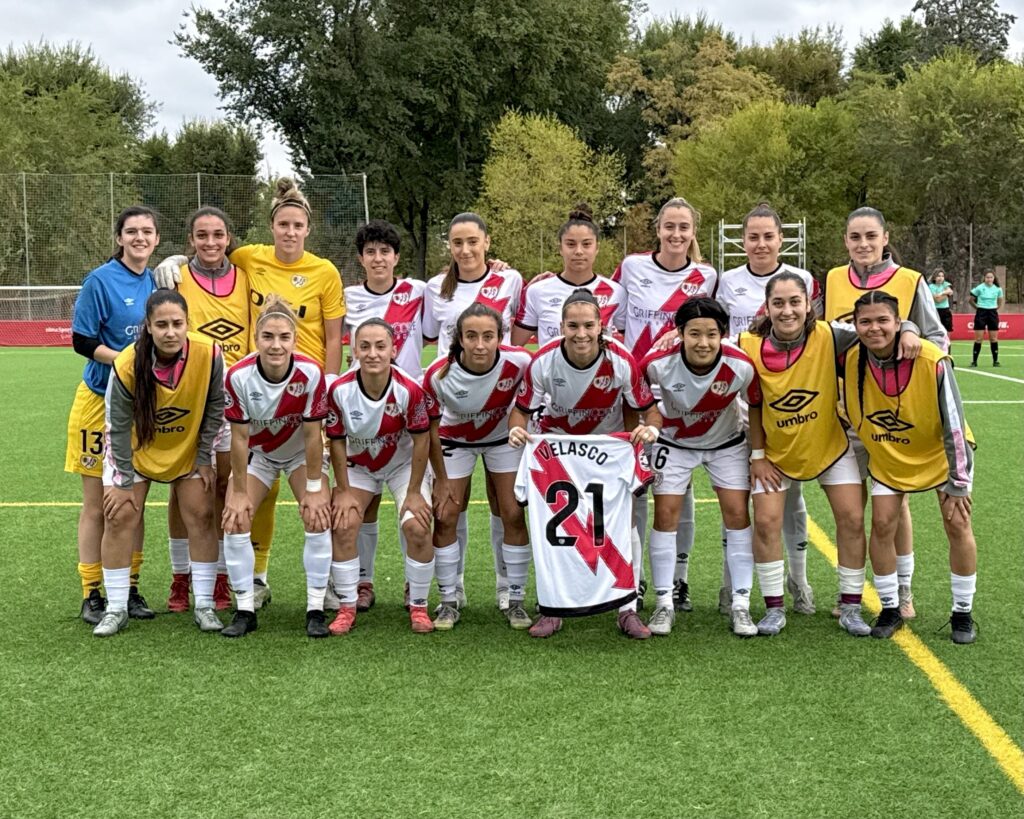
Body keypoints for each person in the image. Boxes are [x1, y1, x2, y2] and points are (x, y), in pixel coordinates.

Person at [156, 178, 346, 609]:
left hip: (306, 391)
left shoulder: (325, 272)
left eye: (298, 225)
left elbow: (334, 337)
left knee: (318, 489)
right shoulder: (250, 258)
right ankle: (253, 578)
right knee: (243, 487)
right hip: (254, 389)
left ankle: (330, 583)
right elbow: (211, 255)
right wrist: (175, 260)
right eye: (283, 224)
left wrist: (330, 384)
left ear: (308, 229)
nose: (290, 232)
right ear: (271, 226)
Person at [739, 271, 921, 637]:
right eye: (778, 303)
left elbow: (877, 327)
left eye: (795, 302)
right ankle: (774, 608)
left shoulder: (831, 335)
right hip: (776, 453)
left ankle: (850, 606)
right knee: (766, 522)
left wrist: (910, 329)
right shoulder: (747, 344)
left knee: (852, 519)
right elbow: (753, 402)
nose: (787, 310)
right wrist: (758, 455)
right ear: (767, 307)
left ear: (809, 306)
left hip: (831, 447)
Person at [508, 289, 659, 639]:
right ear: (561, 326)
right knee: (555, 532)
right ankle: (552, 607)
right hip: (557, 453)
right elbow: (520, 411)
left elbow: (650, 410)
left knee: (623, 526)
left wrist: (650, 429)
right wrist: (516, 430)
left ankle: (628, 607)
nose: (581, 334)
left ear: (600, 325)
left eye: (588, 325)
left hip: (607, 450)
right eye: (573, 326)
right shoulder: (544, 360)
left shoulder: (620, 359)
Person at [824, 206, 948, 621]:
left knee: (894, 506)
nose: (863, 244)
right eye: (855, 237)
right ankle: (851, 592)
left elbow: (937, 339)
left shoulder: (910, 279)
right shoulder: (833, 278)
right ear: (846, 241)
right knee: (850, 510)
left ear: (885, 238)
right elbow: (825, 336)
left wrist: (909, 328)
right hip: (846, 413)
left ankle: (903, 590)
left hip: (893, 415)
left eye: (870, 236)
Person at [846, 291, 977, 643]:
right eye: (865, 322)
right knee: (882, 524)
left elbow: (954, 423)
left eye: (883, 320)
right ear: (854, 325)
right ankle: (890, 608)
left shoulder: (931, 358)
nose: (874, 328)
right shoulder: (851, 356)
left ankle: (962, 612)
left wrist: (958, 481)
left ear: (898, 321)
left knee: (957, 523)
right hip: (890, 455)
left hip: (941, 455)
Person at [93, 290, 225, 636]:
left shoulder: (209, 353)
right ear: (148, 327)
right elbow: (117, 426)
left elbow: (215, 407)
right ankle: (116, 608)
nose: (170, 332)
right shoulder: (127, 363)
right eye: (162, 324)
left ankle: (205, 604)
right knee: (119, 516)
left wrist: (203, 457)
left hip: (187, 450)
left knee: (202, 514)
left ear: (187, 324)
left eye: (177, 324)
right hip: (134, 454)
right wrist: (122, 482)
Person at [612, 197, 718, 612]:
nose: (676, 234)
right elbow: (609, 307)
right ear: (657, 229)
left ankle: (679, 580)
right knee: (636, 489)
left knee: (680, 489)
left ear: (693, 232)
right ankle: (636, 578)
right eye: (669, 226)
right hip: (636, 396)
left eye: (683, 227)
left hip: (681, 396)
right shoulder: (632, 267)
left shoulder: (706, 276)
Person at [716, 203, 822, 617]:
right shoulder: (727, 281)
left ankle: (800, 582)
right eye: (753, 237)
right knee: (737, 501)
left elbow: (817, 335)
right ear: (743, 241)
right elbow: (717, 333)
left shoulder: (803, 279)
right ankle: (732, 585)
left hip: (788, 409)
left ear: (781, 239)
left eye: (768, 236)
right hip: (740, 407)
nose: (761, 244)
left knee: (791, 498)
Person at [423, 212, 524, 610]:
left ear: (487, 242)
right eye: (457, 242)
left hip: (501, 416)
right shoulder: (434, 288)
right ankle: (453, 590)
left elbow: (521, 336)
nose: (465, 250)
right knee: (449, 510)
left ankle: (508, 589)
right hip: (455, 416)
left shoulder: (510, 280)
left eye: (472, 241)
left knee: (509, 509)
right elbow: (428, 336)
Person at [641, 298, 760, 637]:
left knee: (737, 513)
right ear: (679, 333)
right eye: (694, 334)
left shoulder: (741, 365)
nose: (703, 343)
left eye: (711, 334)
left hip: (726, 444)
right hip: (674, 444)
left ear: (723, 334)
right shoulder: (656, 363)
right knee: (665, 515)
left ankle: (740, 604)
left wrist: (759, 453)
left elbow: (755, 405)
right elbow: (636, 397)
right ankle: (664, 603)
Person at [67, 206, 160, 625]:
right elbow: (82, 341)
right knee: (96, 505)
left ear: (156, 239)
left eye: (147, 231)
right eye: (132, 231)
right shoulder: (99, 280)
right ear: (119, 237)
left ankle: (129, 587)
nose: (140, 238)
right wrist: (126, 359)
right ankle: (91, 592)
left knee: (133, 504)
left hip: (141, 407)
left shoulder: (156, 281)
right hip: (99, 401)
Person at [220, 297, 332, 638]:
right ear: (256, 339)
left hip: (300, 454)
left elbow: (313, 436)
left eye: (284, 337)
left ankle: (315, 609)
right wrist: (239, 492)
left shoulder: (311, 373)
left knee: (317, 515)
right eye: (268, 336)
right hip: (260, 455)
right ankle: (245, 609)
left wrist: (314, 489)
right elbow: (239, 439)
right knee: (236, 519)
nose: (276, 345)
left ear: (295, 340)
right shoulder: (238, 376)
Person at [425, 304, 533, 630]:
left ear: (501, 337)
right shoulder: (438, 374)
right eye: (471, 336)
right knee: (446, 514)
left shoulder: (521, 362)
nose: (480, 345)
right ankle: (449, 598)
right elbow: (430, 430)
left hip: (503, 439)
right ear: (460, 339)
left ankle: (513, 596)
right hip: (454, 441)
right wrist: (440, 478)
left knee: (512, 512)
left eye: (488, 336)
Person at [325, 319, 436, 634]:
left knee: (417, 526)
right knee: (344, 524)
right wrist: (343, 490)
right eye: (365, 346)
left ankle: (418, 605)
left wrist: (414, 492)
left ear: (393, 350)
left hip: (402, 466)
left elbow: (422, 441)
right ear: (354, 350)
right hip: (359, 466)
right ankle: (347, 606)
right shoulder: (339, 390)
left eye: (380, 346)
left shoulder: (409, 389)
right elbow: (336, 441)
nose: (372, 353)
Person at [339, 219, 427, 612]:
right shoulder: (347, 296)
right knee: (363, 508)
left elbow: (459, 291)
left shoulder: (418, 291)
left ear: (396, 257)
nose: (378, 258)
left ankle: (414, 586)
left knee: (415, 513)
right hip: (361, 412)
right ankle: (363, 583)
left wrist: (497, 267)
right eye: (370, 252)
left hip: (406, 412)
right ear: (361, 258)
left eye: (385, 251)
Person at [166, 206, 250, 614]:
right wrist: (170, 262)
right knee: (183, 489)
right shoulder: (176, 277)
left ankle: (218, 574)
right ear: (190, 240)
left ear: (229, 238)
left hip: (234, 397)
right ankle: (181, 576)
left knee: (223, 485)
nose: (211, 242)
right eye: (202, 235)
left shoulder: (246, 277)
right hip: (189, 396)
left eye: (218, 234)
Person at [512, 203, 626, 346]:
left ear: (597, 248)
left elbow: (631, 341)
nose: (578, 251)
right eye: (571, 244)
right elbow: (513, 346)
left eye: (586, 244)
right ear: (560, 248)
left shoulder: (616, 292)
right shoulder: (536, 291)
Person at [969, 269, 1004, 367]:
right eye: (987, 277)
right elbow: (971, 300)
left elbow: (1000, 300)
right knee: (979, 338)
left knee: (993, 338)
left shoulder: (998, 289)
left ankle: (995, 361)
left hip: (992, 313)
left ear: (994, 278)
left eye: (991, 277)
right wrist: (978, 307)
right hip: (981, 313)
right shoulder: (979, 288)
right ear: (984, 278)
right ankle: (974, 361)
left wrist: (995, 308)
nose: (989, 279)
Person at [928, 269, 955, 334]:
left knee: (948, 329)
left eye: (942, 276)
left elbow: (950, 291)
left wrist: (941, 294)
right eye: (938, 276)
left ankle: (947, 341)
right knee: (936, 329)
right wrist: (947, 295)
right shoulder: (931, 286)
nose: (941, 278)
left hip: (946, 310)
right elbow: (938, 300)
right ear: (934, 277)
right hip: (936, 310)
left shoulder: (945, 284)